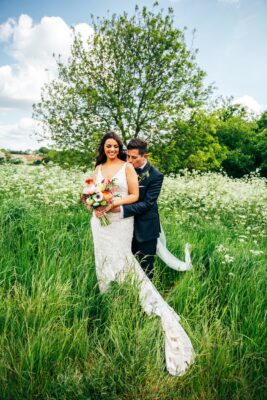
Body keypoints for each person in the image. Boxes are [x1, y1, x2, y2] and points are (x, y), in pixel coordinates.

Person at [86, 130, 195, 376]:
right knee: (107, 258)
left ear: (140, 155)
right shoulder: (102, 167)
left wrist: (113, 205)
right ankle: (111, 293)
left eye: (122, 150)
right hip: (104, 222)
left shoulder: (148, 174)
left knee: (139, 264)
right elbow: (92, 189)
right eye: (110, 147)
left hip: (134, 223)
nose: (125, 157)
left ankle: (144, 301)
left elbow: (143, 200)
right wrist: (92, 202)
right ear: (104, 148)